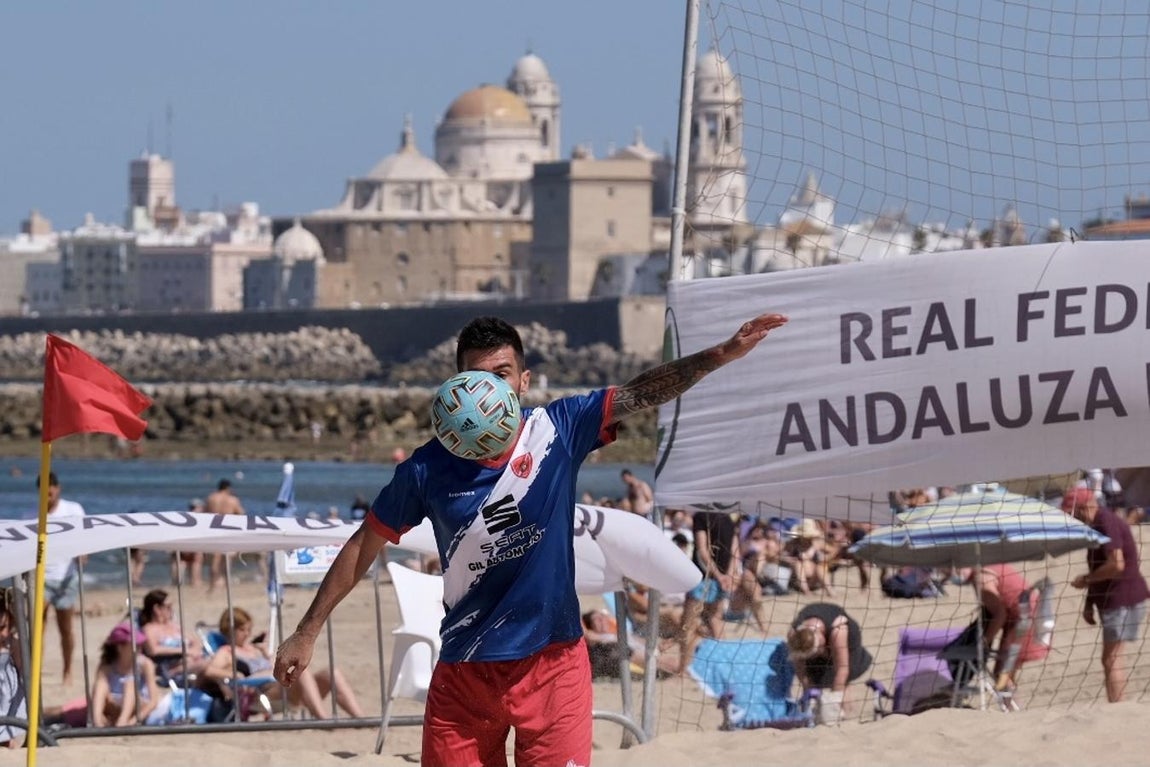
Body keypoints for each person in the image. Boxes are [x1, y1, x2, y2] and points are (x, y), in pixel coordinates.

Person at [273, 311, 788, 767]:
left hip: (553, 663)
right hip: (466, 671)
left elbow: (640, 391)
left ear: (523, 381)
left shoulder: (557, 430)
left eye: (499, 375)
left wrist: (721, 354)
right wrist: (307, 630)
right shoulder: (426, 469)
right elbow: (365, 544)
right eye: (473, 377)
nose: (486, 390)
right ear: (456, 386)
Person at [1062, 486, 1150, 702]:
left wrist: (1086, 581)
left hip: (1121, 599)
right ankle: (1118, 706)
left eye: (1071, 513)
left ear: (1082, 508)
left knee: (1111, 659)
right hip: (1120, 599)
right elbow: (1099, 565)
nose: (1071, 518)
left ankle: (1118, 709)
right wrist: (1089, 602)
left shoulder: (1105, 521)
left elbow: (1116, 565)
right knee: (1112, 658)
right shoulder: (1099, 523)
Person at [200, 607, 363, 720]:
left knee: (330, 672)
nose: (247, 633)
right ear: (230, 629)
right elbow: (210, 671)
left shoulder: (253, 648)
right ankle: (323, 719)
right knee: (302, 674)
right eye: (243, 630)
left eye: (249, 629)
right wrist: (236, 674)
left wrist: (266, 655)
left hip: (283, 686)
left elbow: (276, 667)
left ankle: (359, 718)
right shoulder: (227, 651)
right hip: (262, 692)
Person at [954, 563, 1051, 691]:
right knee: (1004, 673)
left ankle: (1011, 708)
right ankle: (1010, 705)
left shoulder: (982, 579)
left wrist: (984, 643)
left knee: (1002, 674)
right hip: (1025, 616)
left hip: (1024, 620)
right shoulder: (987, 563)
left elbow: (1000, 615)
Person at [35, 472, 86, 686]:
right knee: (38, 628)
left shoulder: (73, 510)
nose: (49, 494)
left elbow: (84, 536)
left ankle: (67, 670)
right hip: (42, 577)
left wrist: (83, 554)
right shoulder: (31, 514)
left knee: (66, 629)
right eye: (44, 491)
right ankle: (35, 670)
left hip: (67, 577)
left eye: (51, 489)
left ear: (58, 488)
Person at [787, 602, 873, 725]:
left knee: (843, 680)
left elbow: (842, 670)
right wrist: (808, 691)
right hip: (814, 641)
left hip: (846, 639)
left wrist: (834, 700)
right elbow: (800, 668)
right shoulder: (794, 636)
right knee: (815, 678)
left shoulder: (838, 631)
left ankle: (846, 716)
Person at [90, 622, 167, 727]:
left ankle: (122, 722)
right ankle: (97, 721)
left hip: (138, 707)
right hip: (114, 706)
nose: (139, 647)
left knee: (130, 684)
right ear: (120, 647)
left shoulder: (144, 664)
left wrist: (134, 721)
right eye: (135, 644)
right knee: (100, 685)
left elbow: (153, 701)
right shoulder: (107, 665)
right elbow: (98, 694)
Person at [137, 589, 206, 685]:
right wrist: (184, 650)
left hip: (189, 661)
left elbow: (196, 641)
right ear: (157, 609)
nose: (171, 610)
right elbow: (153, 650)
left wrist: (195, 650)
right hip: (170, 667)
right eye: (168, 607)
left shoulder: (174, 626)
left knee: (213, 663)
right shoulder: (149, 629)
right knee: (209, 665)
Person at [205, 479, 245, 592]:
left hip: (213, 529)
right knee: (227, 559)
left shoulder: (211, 498)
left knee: (214, 560)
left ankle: (212, 585)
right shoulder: (232, 500)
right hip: (228, 530)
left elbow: (205, 513)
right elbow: (241, 513)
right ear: (228, 488)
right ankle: (227, 584)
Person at [0, 589, 25, 749]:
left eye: (2, 628)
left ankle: (6, 737)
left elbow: (25, 669)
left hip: (8, 701)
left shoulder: (13, 646)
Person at [171, 498, 206, 587]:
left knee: (179, 563)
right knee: (196, 563)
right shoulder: (201, 518)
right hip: (194, 545)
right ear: (199, 507)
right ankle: (194, 582)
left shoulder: (184, 517)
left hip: (183, 545)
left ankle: (176, 583)